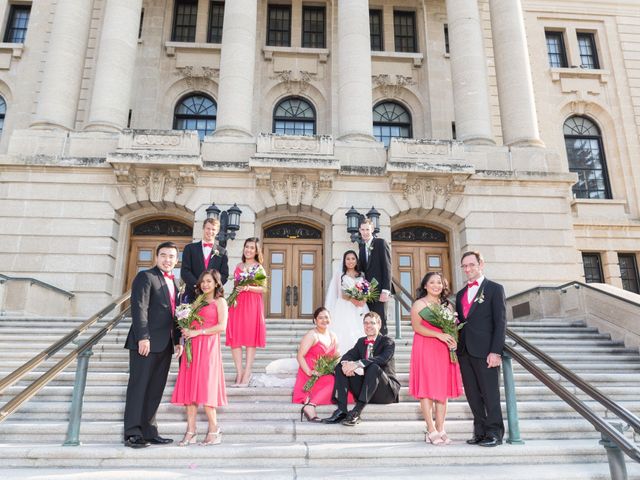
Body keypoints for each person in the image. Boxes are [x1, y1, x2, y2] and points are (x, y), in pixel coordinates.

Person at [123, 241, 183, 448]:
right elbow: (139, 307)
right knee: (139, 387)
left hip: (165, 344)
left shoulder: (175, 283)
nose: (168, 260)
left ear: (176, 260)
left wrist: (178, 340)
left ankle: (149, 431)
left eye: (172, 256)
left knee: (155, 389)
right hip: (146, 342)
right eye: (164, 255)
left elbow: (175, 314)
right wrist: (143, 337)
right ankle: (132, 433)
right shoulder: (145, 277)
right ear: (156, 257)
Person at [171, 269, 228, 446]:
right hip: (192, 348)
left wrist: (198, 332)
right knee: (190, 391)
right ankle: (191, 431)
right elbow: (188, 323)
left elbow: (222, 327)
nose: (205, 284)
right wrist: (184, 334)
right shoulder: (197, 302)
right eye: (203, 281)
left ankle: (214, 430)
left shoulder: (220, 302)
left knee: (206, 388)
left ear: (216, 283)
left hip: (209, 348)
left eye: (209, 281)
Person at [455, 251, 506, 447]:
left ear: (480, 264)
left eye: (471, 265)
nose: (468, 269)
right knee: (473, 394)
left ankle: (494, 433)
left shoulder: (494, 289)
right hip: (465, 351)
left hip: (486, 351)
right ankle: (480, 431)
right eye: (464, 266)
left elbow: (500, 322)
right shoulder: (460, 295)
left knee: (490, 393)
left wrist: (496, 351)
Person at [409, 272, 464, 445]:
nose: (436, 285)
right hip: (425, 346)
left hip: (443, 350)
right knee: (426, 387)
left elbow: (452, 328)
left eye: (439, 282)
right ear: (425, 285)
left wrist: (453, 340)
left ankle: (441, 428)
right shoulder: (419, 304)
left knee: (442, 389)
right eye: (432, 282)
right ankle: (430, 429)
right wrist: (438, 335)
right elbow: (417, 327)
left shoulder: (448, 307)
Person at [323, 312, 400, 426]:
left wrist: (358, 364)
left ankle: (356, 412)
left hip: (385, 392)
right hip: (366, 390)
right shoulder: (361, 342)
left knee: (373, 367)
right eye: (366, 323)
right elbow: (348, 356)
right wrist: (346, 364)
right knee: (340, 366)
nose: (368, 325)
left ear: (379, 324)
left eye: (372, 323)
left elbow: (382, 359)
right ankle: (342, 410)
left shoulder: (388, 342)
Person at [292, 307, 347, 422]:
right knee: (333, 382)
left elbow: (337, 357)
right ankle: (310, 406)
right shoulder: (312, 335)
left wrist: (338, 368)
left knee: (342, 383)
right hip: (311, 373)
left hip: (325, 372)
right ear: (315, 320)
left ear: (330, 319)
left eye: (326, 317)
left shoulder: (333, 336)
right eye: (320, 318)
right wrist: (310, 372)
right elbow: (300, 356)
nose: (324, 320)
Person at [226, 237, 267, 386]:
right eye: (247, 247)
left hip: (252, 304)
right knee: (235, 338)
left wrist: (248, 287)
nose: (248, 250)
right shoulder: (238, 266)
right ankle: (239, 372)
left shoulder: (259, 268)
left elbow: (263, 288)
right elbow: (236, 286)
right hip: (238, 304)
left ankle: (247, 372)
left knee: (249, 338)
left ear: (256, 251)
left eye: (252, 248)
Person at [324, 250, 369, 351]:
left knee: (360, 329)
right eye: (348, 259)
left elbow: (366, 289)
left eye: (353, 259)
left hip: (361, 307)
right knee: (346, 330)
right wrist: (355, 301)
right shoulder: (340, 275)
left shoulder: (361, 274)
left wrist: (363, 301)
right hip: (345, 306)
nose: (350, 261)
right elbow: (340, 293)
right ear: (344, 261)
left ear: (356, 261)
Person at [181, 218, 229, 302]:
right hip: (192, 295)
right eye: (208, 228)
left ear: (217, 231)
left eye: (213, 229)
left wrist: (212, 287)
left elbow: (224, 274)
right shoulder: (189, 248)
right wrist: (198, 286)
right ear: (203, 228)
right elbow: (185, 271)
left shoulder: (222, 252)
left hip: (213, 297)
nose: (210, 232)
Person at [357, 219, 391, 335]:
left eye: (367, 229)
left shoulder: (380, 243)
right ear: (359, 231)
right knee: (370, 322)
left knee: (380, 322)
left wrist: (385, 290)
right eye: (363, 229)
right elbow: (362, 271)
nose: (365, 232)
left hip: (380, 291)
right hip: (367, 292)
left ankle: (384, 350)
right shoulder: (361, 248)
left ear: (372, 230)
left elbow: (387, 267)